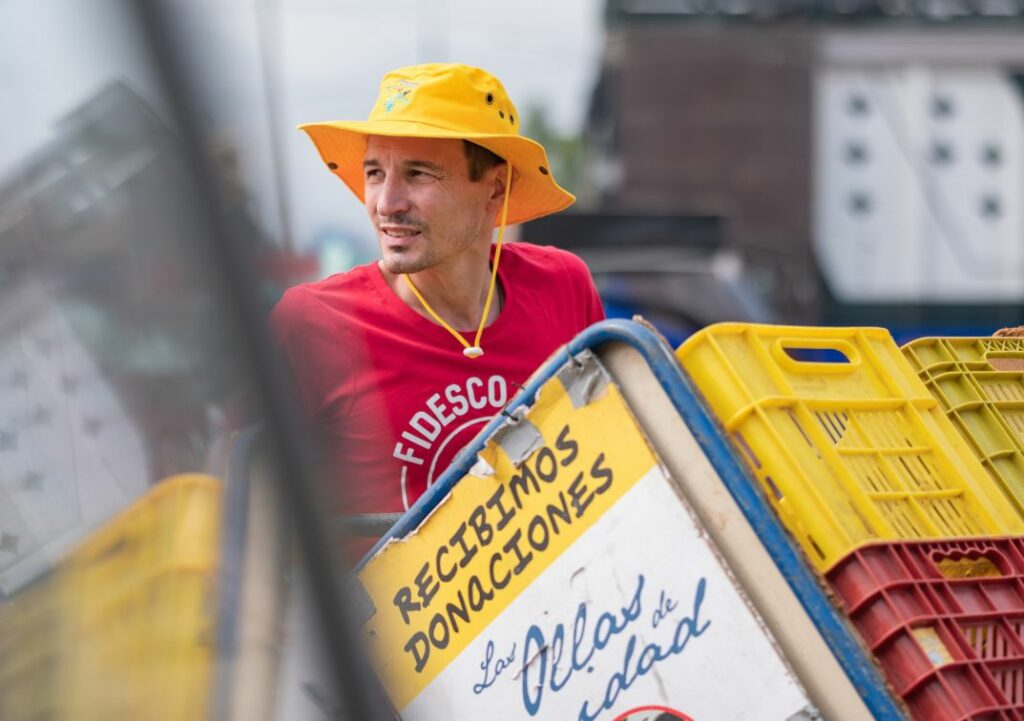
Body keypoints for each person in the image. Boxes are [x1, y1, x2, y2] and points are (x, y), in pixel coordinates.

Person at [270, 63, 604, 531]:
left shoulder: (561, 286)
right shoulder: (312, 323)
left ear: (496, 187)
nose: (386, 202)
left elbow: (607, 459)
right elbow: (237, 509)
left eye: (418, 174)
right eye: (374, 172)